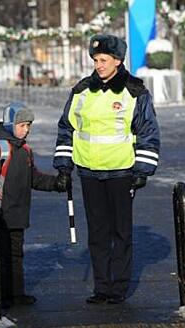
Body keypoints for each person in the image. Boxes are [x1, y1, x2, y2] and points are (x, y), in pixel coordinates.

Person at [52, 34, 160, 304]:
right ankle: (102, 288)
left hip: (122, 172)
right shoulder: (81, 91)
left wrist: (142, 170)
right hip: (88, 172)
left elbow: (148, 131)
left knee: (121, 233)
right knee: (97, 233)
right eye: (95, 60)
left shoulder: (135, 92)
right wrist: (64, 166)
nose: (98, 65)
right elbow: (66, 127)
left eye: (103, 60)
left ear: (118, 61)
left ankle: (118, 288)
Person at [0, 102, 67, 307]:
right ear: (10, 125)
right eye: (22, 125)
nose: (26, 130)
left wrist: (56, 184)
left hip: (17, 214)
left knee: (16, 255)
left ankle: (16, 294)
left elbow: (33, 178)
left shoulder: (25, 150)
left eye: (29, 126)